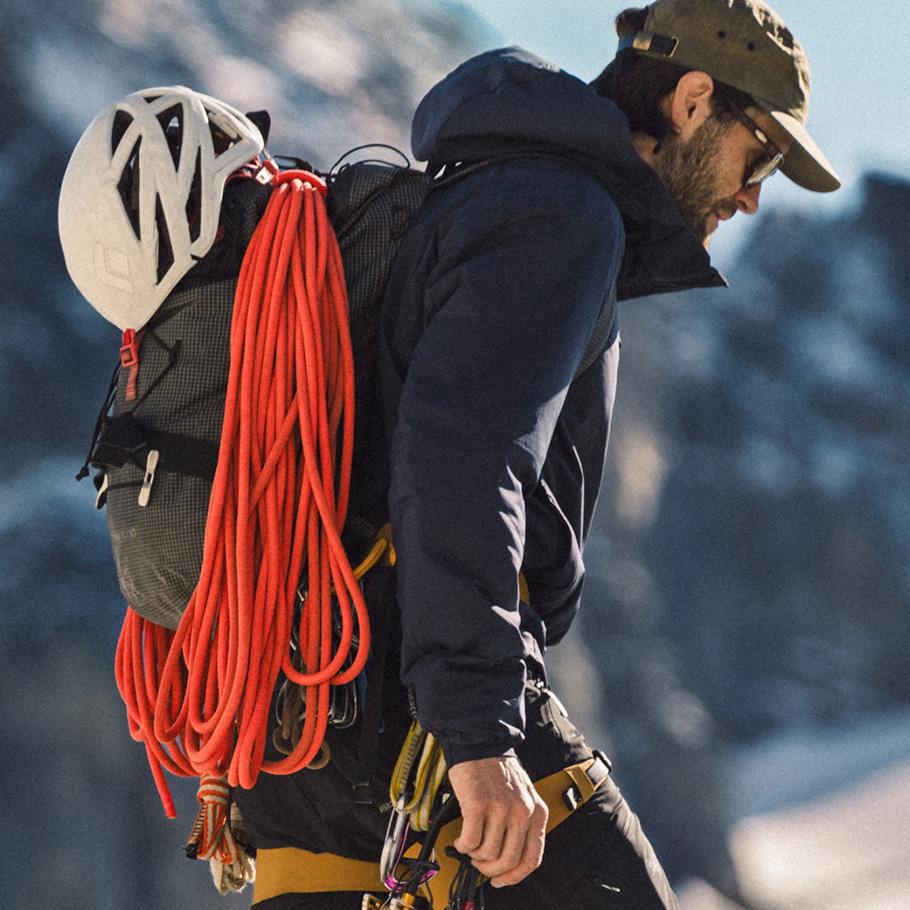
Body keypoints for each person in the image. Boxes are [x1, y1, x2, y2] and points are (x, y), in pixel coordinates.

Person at [233, 1, 840, 907]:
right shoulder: (558, 213)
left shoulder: (480, 191)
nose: (754, 194)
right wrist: (478, 733)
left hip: (302, 725)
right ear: (693, 100)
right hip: (418, 714)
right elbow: (464, 461)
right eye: (760, 153)